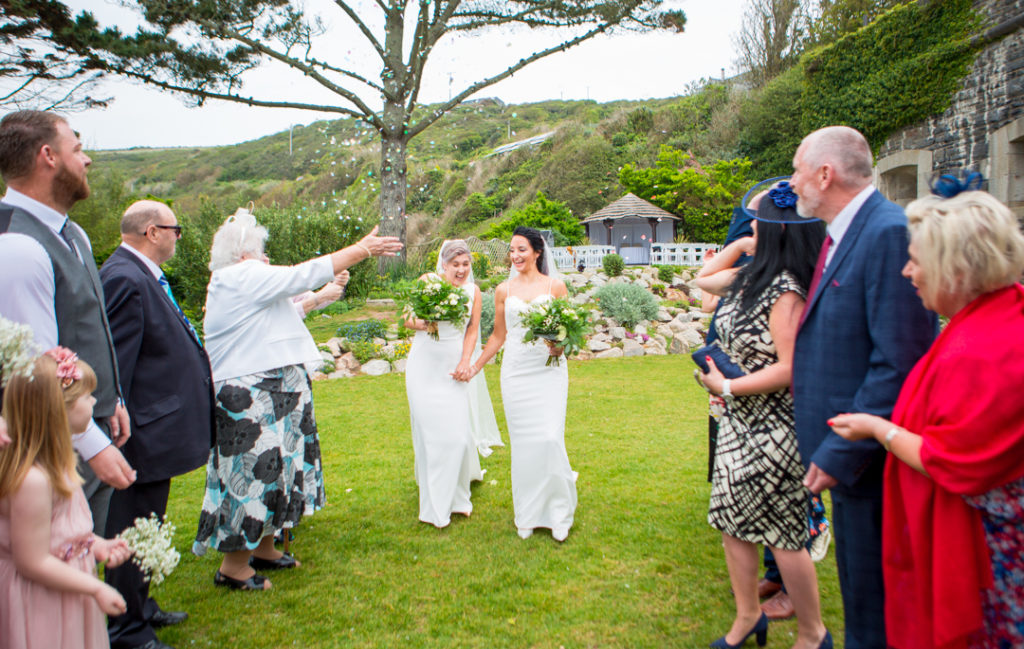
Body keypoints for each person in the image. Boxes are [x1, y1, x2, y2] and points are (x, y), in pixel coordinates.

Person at [829, 188, 1024, 649]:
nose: (906, 272)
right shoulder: (996, 315)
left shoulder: (984, 350)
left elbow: (952, 457)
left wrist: (878, 428)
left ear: (956, 270)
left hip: (988, 554)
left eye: (916, 260)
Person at [192, 208, 402, 590]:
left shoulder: (246, 283)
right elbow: (300, 275)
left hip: (277, 390)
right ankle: (233, 567)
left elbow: (293, 303)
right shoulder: (238, 276)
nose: (266, 259)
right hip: (250, 396)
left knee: (281, 469)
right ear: (244, 255)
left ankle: (265, 546)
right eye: (261, 252)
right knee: (252, 472)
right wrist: (362, 249)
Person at [789, 126, 937, 649]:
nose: (793, 183)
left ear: (825, 174)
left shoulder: (886, 232)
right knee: (858, 599)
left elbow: (899, 361)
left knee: (876, 613)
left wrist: (838, 453)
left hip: (871, 463)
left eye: (797, 170)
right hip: (852, 462)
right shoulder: (841, 233)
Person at [696, 181, 831, 649]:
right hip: (737, 422)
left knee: (783, 534)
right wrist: (739, 246)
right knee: (731, 522)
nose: (749, 225)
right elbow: (703, 280)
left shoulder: (788, 291)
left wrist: (728, 385)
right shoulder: (752, 275)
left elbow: (792, 368)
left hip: (774, 429)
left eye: (757, 221)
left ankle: (813, 633)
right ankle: (747, 616)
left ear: (777, 231)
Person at [0, 110, 136, 533]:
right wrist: (93, 446)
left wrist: (111, 401)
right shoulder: (16, 245)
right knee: (56, 562)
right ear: (49, 157)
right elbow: (33, 364)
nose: (87, 159)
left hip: (87, 418)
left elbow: (84, 323)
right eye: (77, 149)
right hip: (49, 442)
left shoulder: (73, 234)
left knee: (83, 555)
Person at [99, 201, 215, 649]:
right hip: (139, 432)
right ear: (152, 231)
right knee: (130, 526)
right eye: (175, 229)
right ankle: (126, 628)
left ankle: (142, 605)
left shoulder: (139, 273)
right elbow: (116, 365)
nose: (178, 236)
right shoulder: (125, 278)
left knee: (148, 520)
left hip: (152, 426)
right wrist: (118, 429)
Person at [0, 349, 133, 649]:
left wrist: (97, 545)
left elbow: (61, 536)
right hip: (40, 599)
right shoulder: (32, 481)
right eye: (87, 397)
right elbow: (32, 561)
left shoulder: (59, 465)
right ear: (59, 409)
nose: (95, 402)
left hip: (67, 591)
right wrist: (95, 588)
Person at [457, 226, 577, 542]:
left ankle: (559, 513)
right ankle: (528, 513)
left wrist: (559, 345)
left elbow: (566, 334)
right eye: (512, 250)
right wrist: (475, 366)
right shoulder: (502, 291)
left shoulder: (556, 287)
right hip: (516, 373)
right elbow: (498, 336)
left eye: (521, 249)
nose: (515, 255)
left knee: (550, 438)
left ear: (537, 251)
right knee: (524, 446)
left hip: (549, 371)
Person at [404, 240, 497, 527]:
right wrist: (426, 323)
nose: (461, 270)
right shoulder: (427, 282)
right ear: (443, 265)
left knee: (457, 437)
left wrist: (465, 361)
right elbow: (407, 318)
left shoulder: (473, 292)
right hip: (424, 367)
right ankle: (434, 506)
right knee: (430, 437)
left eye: (465, 264)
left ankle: (458, 497)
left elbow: (472, 330)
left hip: (453, 366)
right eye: (455, 264)